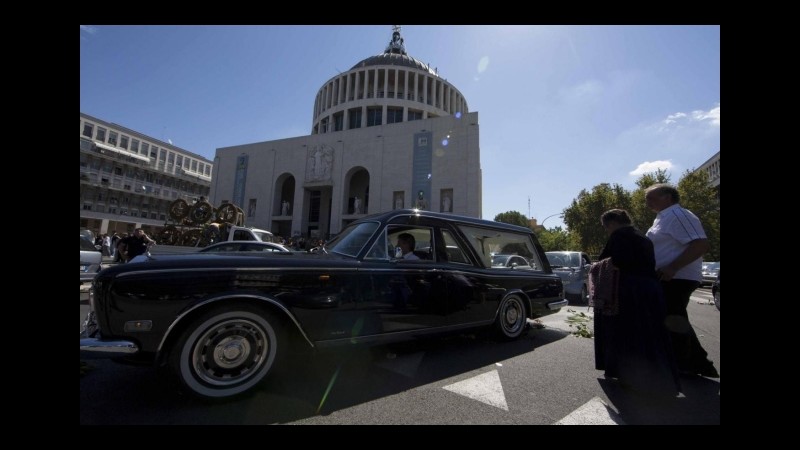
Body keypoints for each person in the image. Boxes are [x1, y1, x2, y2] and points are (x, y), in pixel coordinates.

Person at [591, 209, 681, 395]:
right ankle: (661, 380)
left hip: (629, 290)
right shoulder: (643, 237)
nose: (606, 230)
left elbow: (613, 261)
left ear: (612, 224)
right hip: (650, 289)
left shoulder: (619, 236)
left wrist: (596, 268)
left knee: (628, 333)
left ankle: (634, 380)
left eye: (605, 227)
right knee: (652, 334)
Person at [645, 183, 719, 378]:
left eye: (652, 198)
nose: (647, 202)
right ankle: (698, 363)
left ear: (668, 197)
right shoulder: (662, 218)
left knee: (673, 319)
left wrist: (672, 267)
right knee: (673, 317)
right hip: (668, 276)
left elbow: (701, 244)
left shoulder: (679, 215)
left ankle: (687, 364)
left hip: (678, 277)